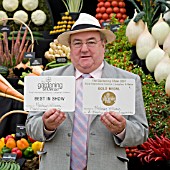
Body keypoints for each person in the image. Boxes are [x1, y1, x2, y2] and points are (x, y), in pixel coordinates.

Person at [25, 13, 148, 170]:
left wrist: (122, 129)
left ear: (103, 45)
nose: (84, 49)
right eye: (77, 43)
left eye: (91, 42)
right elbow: (31, 126)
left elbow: (141, 132)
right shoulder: (49, 78)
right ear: (70, 48)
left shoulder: (127, 81)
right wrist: (46, 126)